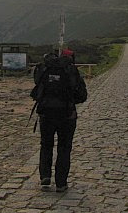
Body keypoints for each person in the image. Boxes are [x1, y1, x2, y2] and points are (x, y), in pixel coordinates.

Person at [30, 48, 87, 192]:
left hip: (46, 113)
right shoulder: (71, 70)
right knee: (64, 147)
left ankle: (45, 177)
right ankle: (61, 183)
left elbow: (36, 89)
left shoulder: (45, 68)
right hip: (66, 114)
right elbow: (82, 95)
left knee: (46, 144)